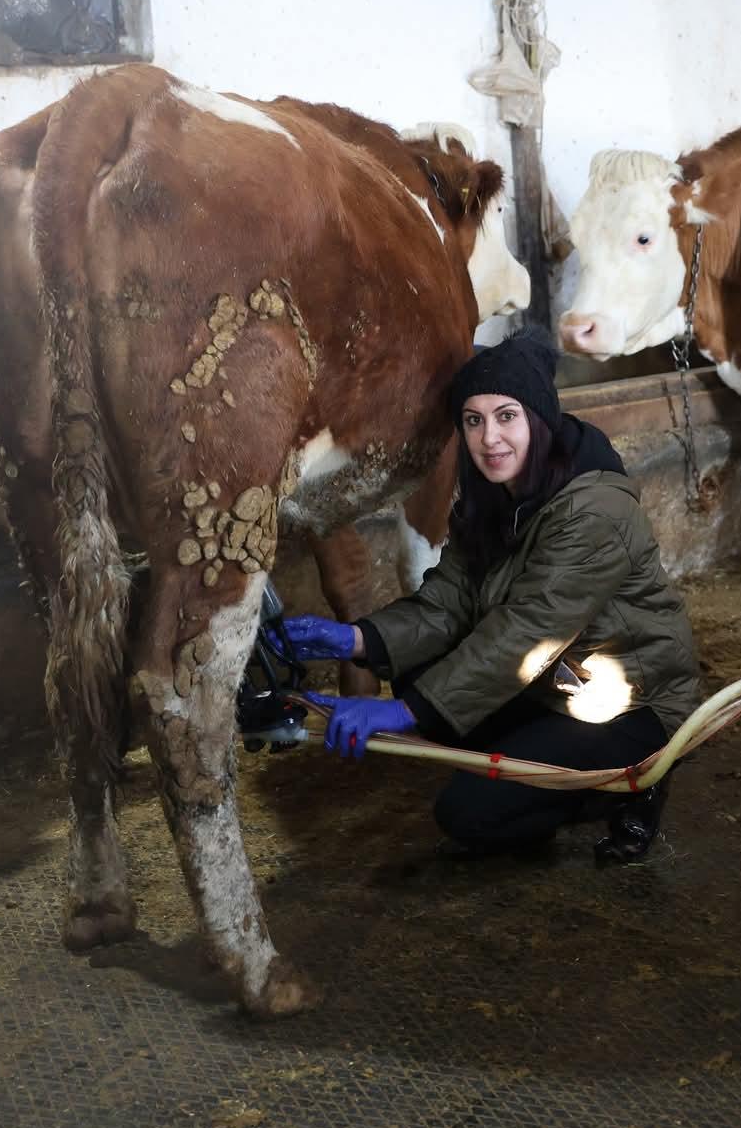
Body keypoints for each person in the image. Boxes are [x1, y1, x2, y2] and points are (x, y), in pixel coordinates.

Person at [281, 331, 701, 863]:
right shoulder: (493, 500)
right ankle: (536, 784)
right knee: (414, 668)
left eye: (507, 416)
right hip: (558, 687)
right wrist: (357, 638)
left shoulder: (593, 510)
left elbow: (526, 634)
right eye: (473, 420)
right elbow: (448, 604)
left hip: (630, 707)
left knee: (469, 814)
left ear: (539, 419)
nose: (489, 438)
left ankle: (635, 785)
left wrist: (406, 713)